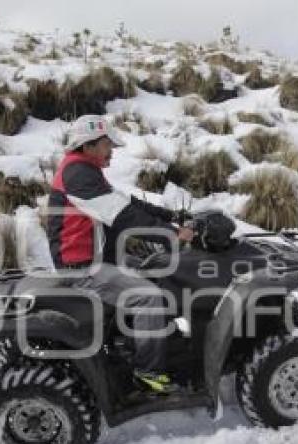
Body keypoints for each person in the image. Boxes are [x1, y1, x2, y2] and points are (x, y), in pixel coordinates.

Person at [47, 115, 194, 393]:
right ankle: (148, 372)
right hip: (82, 268)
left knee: (157, 270)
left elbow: (127, 202)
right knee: (149, 297)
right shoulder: (78, 175)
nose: (112, 151)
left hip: (94, 258)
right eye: (107, 145)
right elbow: (124, 216)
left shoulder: (84, 170)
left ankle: (153, 337)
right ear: (88, 144)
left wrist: (172, 215)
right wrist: (171, 234)